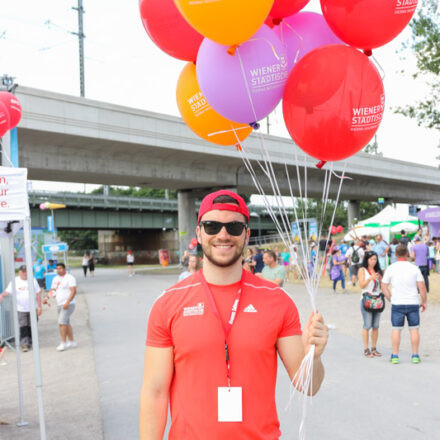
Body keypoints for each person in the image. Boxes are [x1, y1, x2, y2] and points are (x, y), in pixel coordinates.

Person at [140, 190, 328, 440]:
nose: (223, 235)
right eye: (212, 226)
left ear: (247, 234)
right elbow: (155, 393)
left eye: (234, 227)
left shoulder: (278, 301)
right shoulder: (168, 303)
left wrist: (314, 357)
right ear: (198, 233)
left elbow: (308, 385)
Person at [382, 245, 427, 364]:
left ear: (395, 254)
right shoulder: (414, 268)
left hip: (397, 303)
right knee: (414, 329)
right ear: (407, 254)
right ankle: (415, 355)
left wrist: (390, 298)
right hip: (412, 302)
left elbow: (384, 286)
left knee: (396, 330)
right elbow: (421, 286)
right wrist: (424, 301)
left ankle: (395, 355)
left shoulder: (391, 268)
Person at [1, 266, 42, 352]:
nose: (24, 273)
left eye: (26, 271)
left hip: (32, 308)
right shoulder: (15, 281)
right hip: (21, 309)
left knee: (32, 326)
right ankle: (24, 344)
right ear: (19, 272)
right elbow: (8, 291)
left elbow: (38, 293)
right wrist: (2, 295)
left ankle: (30, 341)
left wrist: (39, 307)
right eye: (22, 271)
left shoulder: (32, 280)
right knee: (23, 326)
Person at [44, 263, 77, 351]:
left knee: (61, 323)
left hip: (68, 304)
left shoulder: (70, 278)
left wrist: (67, 302)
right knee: (66, 322)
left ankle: (63, 343)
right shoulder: (55, 278)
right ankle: (72, 341)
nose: (59, 270)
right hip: (60, 304)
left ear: (64, 269)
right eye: (57, 269)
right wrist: (46, 298)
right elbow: (53, 290)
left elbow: (73, 291)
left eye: (60, 268)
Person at [358, 251, 383, 358]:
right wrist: (370, 278)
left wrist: (381, 280)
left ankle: (374, 348)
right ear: (367, 259)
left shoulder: (378, 271)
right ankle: (366, 349)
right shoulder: (362, 270)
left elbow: (380, 287)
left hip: (377, 300)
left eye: (375, 259)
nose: (373, 261)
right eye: (371, 259)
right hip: (367, 300)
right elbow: (362, 285)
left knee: (376, 326)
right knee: (367, 325)